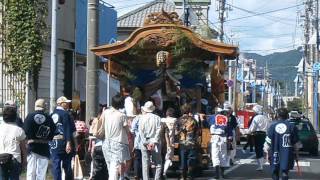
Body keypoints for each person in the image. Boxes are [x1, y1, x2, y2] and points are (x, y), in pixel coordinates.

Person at [24, 99, 56, 180]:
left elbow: (24, 132)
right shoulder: (48, 118)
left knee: (31, 172)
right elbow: (53, 131)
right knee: (41, 173)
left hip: (31, 147)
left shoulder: (29, 116)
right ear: (44, 106)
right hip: (44, 148)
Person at [264, 108, 300, 180]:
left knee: (274, 171)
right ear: (287, 116)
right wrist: (297, 154)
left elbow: (267, 143)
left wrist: (267, 153)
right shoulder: (292, 126)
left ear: (277, 115)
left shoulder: (272, 126)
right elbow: (296, 143)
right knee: (285, 171)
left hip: (274, 152)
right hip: (287, 153)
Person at [102, 95, 131, 180]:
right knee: (114, 167)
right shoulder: (122, 115)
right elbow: (127, 131)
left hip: (106, 142)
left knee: (110, 166)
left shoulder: (106, 112)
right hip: (118, 143)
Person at [49, 96, 76, 180]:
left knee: (55, 164)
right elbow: (68, 129)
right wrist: (69, 142)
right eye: (66, 102)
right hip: (63, 141)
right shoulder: (65, 114)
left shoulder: (51, 114)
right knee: (67, 164)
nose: (68, 104)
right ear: (61, 104)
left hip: (53, 142)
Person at [0, 104, 27, 180]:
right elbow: (23, 148)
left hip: (1, 157)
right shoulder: (19, 130)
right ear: (15, 117)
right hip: (14, 158)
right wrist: (24, 160)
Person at [241, 104, 270, 171]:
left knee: (258, 149)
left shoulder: (256, 118)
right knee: (264, 148)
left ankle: (260, 165)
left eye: (254, 111)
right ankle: (263, 163)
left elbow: (252, 128)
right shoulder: (265, 117)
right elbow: (268, 126)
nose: (253, 112)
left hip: (257, 134)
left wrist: (246, 132)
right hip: (264, 134)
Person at [138, 101, 162, 180]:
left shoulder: (141, 118)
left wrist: (145, 142)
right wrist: (154, 142)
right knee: (158, 163)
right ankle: (157, 178)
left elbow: (140, 131)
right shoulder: (157, 118)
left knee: (145, 163)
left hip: (145, 141)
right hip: (155, 141)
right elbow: (159, 130)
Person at [208, 107, 233, 179]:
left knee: (215, 156)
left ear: (215, 111)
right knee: (223, 155)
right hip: (223, 138)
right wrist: (230, 139)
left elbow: (206, 123)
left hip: (215, 137)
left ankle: (217, 174)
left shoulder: (212, 117)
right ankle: (222, 174)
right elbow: (229, 130)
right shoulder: (225, 118)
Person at [176, 104, 199, 180]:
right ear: (189, 111)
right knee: (191, 160)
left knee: (183, 160)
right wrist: (195, 141)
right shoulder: (193, 120)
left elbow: (176, 133)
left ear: (182, 111)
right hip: (192, 143)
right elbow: (198, 132)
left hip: (182, 143)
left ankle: (182, 176)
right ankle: (189, 176)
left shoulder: (178, 120)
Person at [89, 107, 108, 180]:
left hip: (97, 146)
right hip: (105, 146)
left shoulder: (95, 121)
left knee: (97, 168)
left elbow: (92, 136)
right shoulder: (107, 121)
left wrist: (92, 148)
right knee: (105, 169)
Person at [161, 108, 177, 177]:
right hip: (170, 140)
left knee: (162, 156)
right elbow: (176, 132)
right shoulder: (175, 120)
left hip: (162, 140)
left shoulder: (162, 120)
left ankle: (161, 171)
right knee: (169, 158)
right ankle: (164, 172)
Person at [131, 112, 143, 180]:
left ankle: (136, 174)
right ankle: (143, 175)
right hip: (147, 142)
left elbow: (132, 130)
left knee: (137, 159)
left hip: (137, 142)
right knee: (144, 159)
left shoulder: (136, 118)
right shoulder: (148, 117)